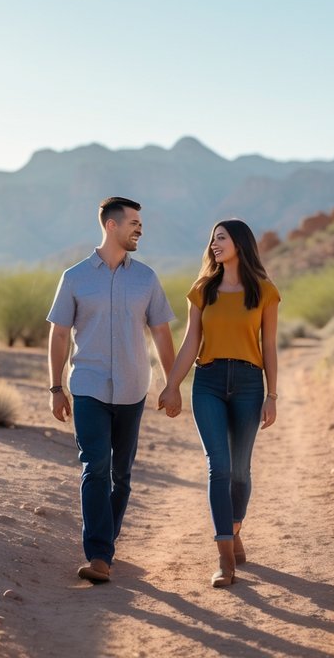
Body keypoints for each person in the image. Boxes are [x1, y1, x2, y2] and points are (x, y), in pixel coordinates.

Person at [47, 196, 177, 583]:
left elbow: (162, 333)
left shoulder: (147, 279)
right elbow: (57, 334)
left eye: (140, 223)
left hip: (133, 389)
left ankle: (107, 537)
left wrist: (172, 385)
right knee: (95, 466)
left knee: (122, 474)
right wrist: (56, 387)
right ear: (111, 226)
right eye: (134, 223)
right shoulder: (74, 277)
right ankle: (100, 554)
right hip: (87, 386)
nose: (140, 229)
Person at [158, 218, 280, 588]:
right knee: (219, 467)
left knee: (241, 471)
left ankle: (234, 527)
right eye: (212, 239)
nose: (214, 244)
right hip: (208, 381)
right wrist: (172, 385)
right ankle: (225, 558)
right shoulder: (203, 289)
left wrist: (272, 395)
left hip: (248, 383)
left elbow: (269, 347)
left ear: (240, 243)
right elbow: (190, 342)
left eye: (221, 238)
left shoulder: (264, 291)